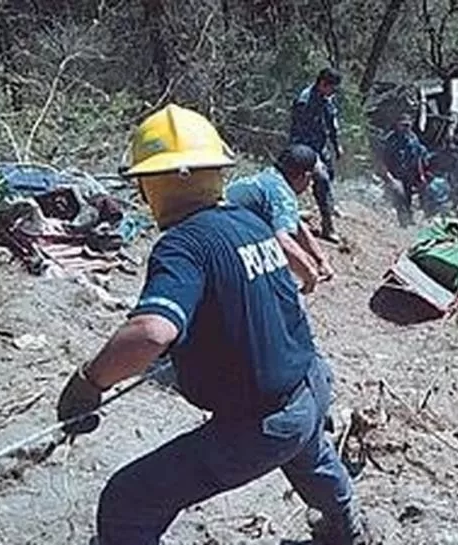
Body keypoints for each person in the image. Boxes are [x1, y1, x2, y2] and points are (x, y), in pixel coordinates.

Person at [55, 104, 368, 545]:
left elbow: (151, 331)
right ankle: (347, 527)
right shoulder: (249, 223)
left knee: (128, 500)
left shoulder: (182, 245)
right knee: (311, 458)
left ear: (153, 183)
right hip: (311, 386)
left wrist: (90, 380)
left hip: (262, 423)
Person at [226, 144, 334, 294]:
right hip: (223, 244)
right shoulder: (283, 195)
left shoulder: (271, 177)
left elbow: (297, 224)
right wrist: (309, 275)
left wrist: (320, 260)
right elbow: (283, 241)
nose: (310, 185)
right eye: (312, 179)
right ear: (305, 176)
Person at [291, 67, 343, 243]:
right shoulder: (304, 101)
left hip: (321, 146)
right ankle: (327, 227)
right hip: (306, 148)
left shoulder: (325, 98)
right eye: (332, 87)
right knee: (321, 179)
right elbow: (298, 134)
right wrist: (310, 159)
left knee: (330, 175)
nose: (333, 92)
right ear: (322, 84)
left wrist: (337, 146)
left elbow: (331, 122)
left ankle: (329, 204)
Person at [378, 112, 428, 227]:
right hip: (395, 174)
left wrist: (421, 175)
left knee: (408, 196)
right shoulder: (391, 140)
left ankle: (408, 218)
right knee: (399, 196)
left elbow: (418, 157)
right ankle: (403, 221)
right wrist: (387, 176)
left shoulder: (413, 138)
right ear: (397, 125)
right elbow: (382, 159)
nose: (406, 128)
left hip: (409, 174)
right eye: (403, 125)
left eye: (408, 125)